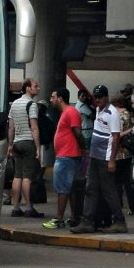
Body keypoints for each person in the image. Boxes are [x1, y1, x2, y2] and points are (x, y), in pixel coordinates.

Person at [71, 84, 128, 234]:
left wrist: (112, 160)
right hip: (95, 156)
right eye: (95, 97)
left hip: (104, 158)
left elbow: (116, 137)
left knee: (108, 190)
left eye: (100, 97)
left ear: (106, 97)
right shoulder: (98, 110)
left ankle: (119, 220)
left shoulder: (112, 113)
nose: (97, 100)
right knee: (90, 188)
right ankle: (87, 221)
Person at [43, 88, 83, 229]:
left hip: (68, 156)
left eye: (53, 96)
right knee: (69, 187)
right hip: (66, 155)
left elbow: (77, 132)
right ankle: (73, 217)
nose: (51, 99)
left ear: (60, 98)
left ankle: (59, 218)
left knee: (62, 188)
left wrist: (83, 147)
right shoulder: (66, 113)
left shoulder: (70, 112)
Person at [7, 78, 44, 218]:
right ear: (28, 88)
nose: (38, 88)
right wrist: (37, 147)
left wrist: (10, 145)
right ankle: (29, 207)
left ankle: (16, 207)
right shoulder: (32, 104)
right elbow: (34, 127)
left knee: (17, 176)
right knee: (27, 177)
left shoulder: (14, 104)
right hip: (28, 142)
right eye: (35, 86)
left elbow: (11, 126)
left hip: (16, 142)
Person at [110, 94, 134, 216]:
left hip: (118, 152)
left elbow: (116, 134)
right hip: (127, 151)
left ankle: (117, 205)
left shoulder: (118, 115)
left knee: (116, 181)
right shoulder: (128, 114)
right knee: (128, 181)